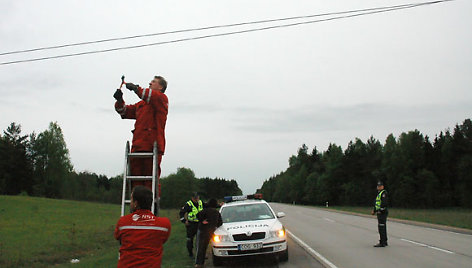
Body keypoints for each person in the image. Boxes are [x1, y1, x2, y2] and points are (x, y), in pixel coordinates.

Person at [113, 76, 169, 193]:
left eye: (153, 82)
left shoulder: (162, 99)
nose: (150, 83)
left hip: (152, 146)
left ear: (161, 87)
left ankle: (149, 207)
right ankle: (137, 207)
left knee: (150, 181)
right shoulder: (141, 104)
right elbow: (125, 112)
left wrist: (136, 88)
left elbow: (148, 95)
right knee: (136, 181)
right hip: (137, 146)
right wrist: (119, 100)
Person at [114, 185, 171, 268]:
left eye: (131, 199)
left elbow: (117, 237)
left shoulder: (123, 222)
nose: (130, 202)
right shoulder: (164, 224)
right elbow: (163, 240)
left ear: (136, 203)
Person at [195, 198, 223, 268]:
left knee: (201, 247)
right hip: (212, 231)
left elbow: (197, 215)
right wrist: (215, 226)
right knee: (217, 246)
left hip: (203, 230)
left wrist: (202, 221)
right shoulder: (217, 213)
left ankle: (199, 263)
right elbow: (220, 223)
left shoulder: (204, 211)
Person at [179, 192, 204, 257]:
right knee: (190, 240)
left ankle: (200, 254)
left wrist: (218, 205)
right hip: (191, 224)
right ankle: (190, 254)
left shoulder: (201, 202)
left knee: (201, 240)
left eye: (197, 197)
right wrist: (184, 221)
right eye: (195, 198)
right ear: (192, 198)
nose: (196, 199)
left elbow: (208, 205)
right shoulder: (188, 204)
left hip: (200, 224)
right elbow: (181, 213)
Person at [371, 181, 389, 247]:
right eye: (378, 186)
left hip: (382, 213)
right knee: (382, 227)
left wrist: (380, 210)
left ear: (382, 186)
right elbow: (377, 203)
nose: (379, 187)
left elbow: (384, 203)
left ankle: (382, 242)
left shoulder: (383, 193)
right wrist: (374, 210)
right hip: (379, 212)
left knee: (381, 227)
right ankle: (384, 240)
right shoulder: (379, 193)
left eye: (380, 186)